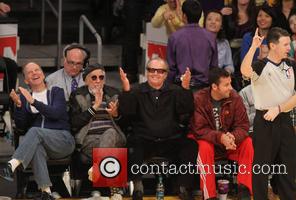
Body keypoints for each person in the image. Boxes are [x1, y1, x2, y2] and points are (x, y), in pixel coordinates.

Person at [119, 57, 198, 200]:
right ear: (147, 72)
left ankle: (182, 186)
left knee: (190, 145)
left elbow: (187, 110)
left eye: (160, 71)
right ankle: (137, 186)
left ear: (166, 74)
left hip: (170, 140)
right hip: (144, 140)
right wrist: (126, 91)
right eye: (151, 70)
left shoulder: (175, 90)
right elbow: (126, 113)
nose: (155, 73)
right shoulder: (136, 90)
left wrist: (186, 88)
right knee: (131, 144)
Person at [0, 62, 75, 200]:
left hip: (63, 141)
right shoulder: (24, 97)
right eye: (30, 72)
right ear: (26, 80)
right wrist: (19, 105)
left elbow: (56, 114)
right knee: (36, 147)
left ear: (42, 74)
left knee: (35, 131)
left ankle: (11, 165)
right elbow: (22, 126)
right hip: (43, 144)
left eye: (37, 70)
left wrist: (34, 102)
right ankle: (46, 192)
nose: (34, 73)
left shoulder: (56, 91)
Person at [240, 27, 296, 200]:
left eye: (289, 43)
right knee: (261, 169)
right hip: (264, 121)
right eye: (286, 44)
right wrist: (253, 48)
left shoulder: (292, 65)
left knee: (288, 168)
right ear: (273, 45)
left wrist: (279, 108)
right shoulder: (261, 66)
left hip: (285, 120)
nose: (289, 47)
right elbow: (244, 71)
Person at [188, 67, 253, 200]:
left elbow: (243, 125)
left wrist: (232, 137)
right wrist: (220, 137)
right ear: (214, 86)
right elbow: (199, 129)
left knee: (247, 143)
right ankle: (209, 195)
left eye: (230, 83)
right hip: (209, 142)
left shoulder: (235, 97)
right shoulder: (199, 99)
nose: (230, 87)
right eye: (226, 84)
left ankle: (244, 190)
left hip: (228, 143)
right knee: (204, 147)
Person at [69, 63, 126, 199]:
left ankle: (97, 172)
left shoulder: (114, 93)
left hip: (115, 137)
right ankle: (114, 189)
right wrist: (94, 107)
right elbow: (74, 123)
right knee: (110, 146)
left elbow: (127, 123)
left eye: (101, 77)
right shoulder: (78, 95)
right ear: (85, 79)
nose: (98, 81)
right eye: (93, 78)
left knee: (110, 133)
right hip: (88, 140)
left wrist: (116, 115)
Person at [167, 0, 218, 90]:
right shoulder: (210, 37)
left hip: (180, 87)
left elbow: (171, 68)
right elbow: (213, 67)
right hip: (204, 88)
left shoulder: (174, 37)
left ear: (184, 16)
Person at [204, 10, 234, 74]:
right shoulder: (198, 41)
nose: (213, 22)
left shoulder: (224, 43)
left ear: (221, 26)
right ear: (204, 23)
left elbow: (229, 65)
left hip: (219, 78)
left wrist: (225, 73)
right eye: (209, 19)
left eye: (217, 20)